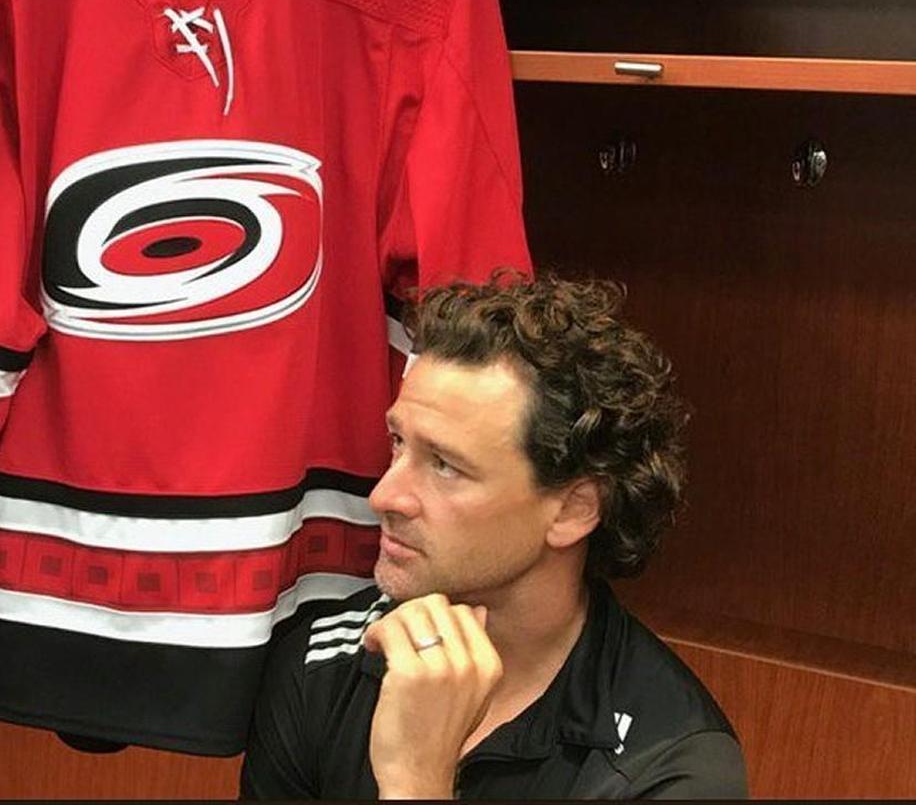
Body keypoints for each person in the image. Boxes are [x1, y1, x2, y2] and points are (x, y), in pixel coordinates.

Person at [240, 271, 748, 799]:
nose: (385, 496)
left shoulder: (671, 765)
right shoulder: (320, 666)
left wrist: (416, 782)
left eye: (444, 465)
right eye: (398, 442)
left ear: (573, 510)